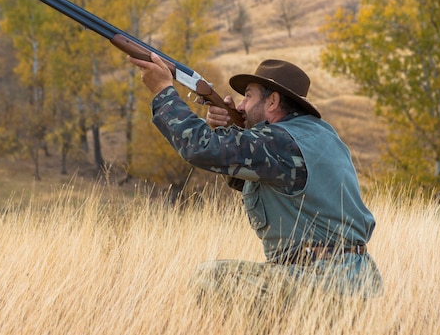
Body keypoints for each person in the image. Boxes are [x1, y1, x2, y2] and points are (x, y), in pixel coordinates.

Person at [127, 54, 383, 303]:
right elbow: (252, 175)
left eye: (248, 96)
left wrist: (163, 92)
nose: (239, 106)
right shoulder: (316, 136)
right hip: (353, 281)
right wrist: (227, 131)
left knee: (211, 277)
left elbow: (199, 148)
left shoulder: (281, 142)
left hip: (321, 280)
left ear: (272, 102)